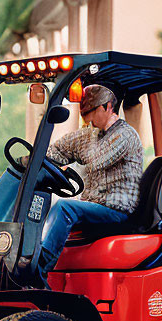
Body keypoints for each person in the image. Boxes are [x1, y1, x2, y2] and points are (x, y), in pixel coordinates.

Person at [16, 84, 143, 287]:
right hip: (94, 206)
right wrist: (35, 160)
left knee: (65, 208)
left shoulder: (125, 135)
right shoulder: (90, 133)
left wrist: (74, 154)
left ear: (108, 106)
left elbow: (97, 159)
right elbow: (58, 149)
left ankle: (39, 268)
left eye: (91, 112)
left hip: (118, 210)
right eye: (83, 113)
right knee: (49, 210)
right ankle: (28, 258)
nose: (86, 119)